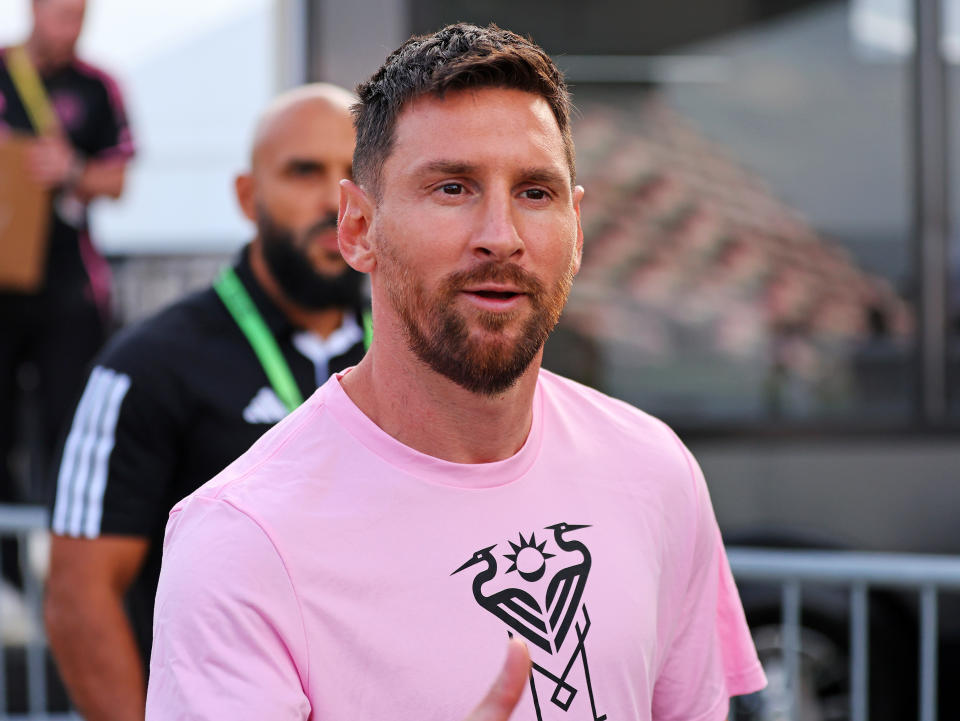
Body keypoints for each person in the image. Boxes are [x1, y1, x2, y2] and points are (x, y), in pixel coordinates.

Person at [146, 24, 767, 721]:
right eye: (452, 187)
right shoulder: (242, 543)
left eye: (536, 192)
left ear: (578, 228)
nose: (500, 235)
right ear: (357, 228)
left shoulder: (656, 471)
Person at [45, 83, 367, 721]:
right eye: (305, 171)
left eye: (357, 174)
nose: (337, 201)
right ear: (247, 196)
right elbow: (79, 596)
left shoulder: (419, 355)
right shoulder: (143, 367)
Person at [0, 0, 132, 521]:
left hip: (69, 288)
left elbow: (118, 180)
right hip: (5, 282)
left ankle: (61, 548)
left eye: (79, 16)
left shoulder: (98, 85)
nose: (70, 27)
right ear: (34, 9)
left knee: (70, 425)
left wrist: (71, 169)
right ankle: (9, 573)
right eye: (61, 14)